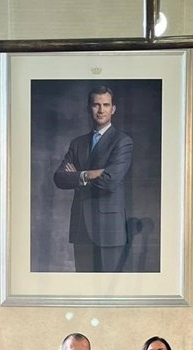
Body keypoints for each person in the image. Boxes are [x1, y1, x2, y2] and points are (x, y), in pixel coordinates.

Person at [52, 85, 134, 273]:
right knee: (83, 285)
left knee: (107, 287)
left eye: (106, 105)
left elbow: (109, 181)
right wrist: (87, 174)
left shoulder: (122, 142)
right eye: (96, 105)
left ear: (113, 109)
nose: (101, 110)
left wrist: (77, 177)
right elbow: (59, 177)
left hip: (109, 229)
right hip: (81, 227)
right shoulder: (77, 143)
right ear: (89, 108)